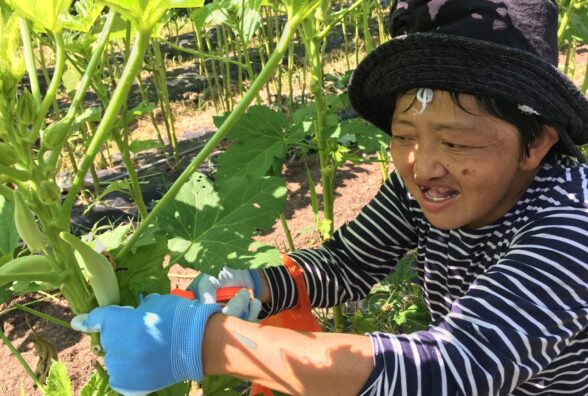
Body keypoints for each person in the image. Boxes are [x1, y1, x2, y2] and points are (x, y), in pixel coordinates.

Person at [72, 0, 588, 395]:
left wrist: (205, 344)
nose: (422, 165)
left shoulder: (572, 225)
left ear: (537, 142)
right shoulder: (424, 186)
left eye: (457, 142)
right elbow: (347, 264)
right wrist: (263, 285)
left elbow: (455, 367)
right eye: (405, 134)